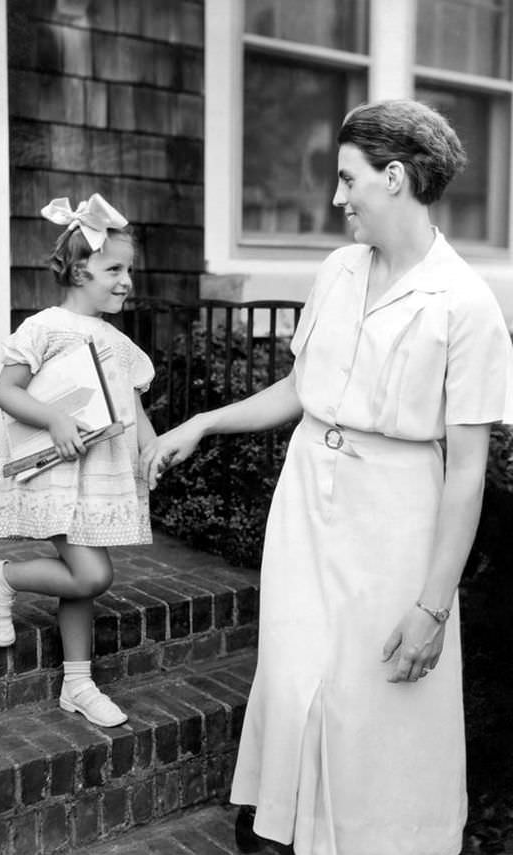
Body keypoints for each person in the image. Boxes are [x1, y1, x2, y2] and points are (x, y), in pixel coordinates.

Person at [141, 100, 513, 854]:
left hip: (395, 520)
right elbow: (298, 390)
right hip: (307, 502)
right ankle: (282, 826)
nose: (338, 196)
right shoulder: (339, 270)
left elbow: (468, 471)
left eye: (349, 179)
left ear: (396, 177)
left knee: (372, 701)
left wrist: (433, 607)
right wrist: (201, 422)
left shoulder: (466, 304)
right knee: (293, 675)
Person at [0, 194, 156, 728]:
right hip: (57, 470)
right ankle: (1, 578)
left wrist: (152, 451)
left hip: (97, 477)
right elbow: (7, 391)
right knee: (93, 573)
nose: (126, 281)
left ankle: (77, 683)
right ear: (79, 270)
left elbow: (132, 408)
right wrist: (55, 419)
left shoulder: (119, 344)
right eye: (114, 269)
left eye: (129, 271)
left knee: (81, 573)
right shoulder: (44, 328)